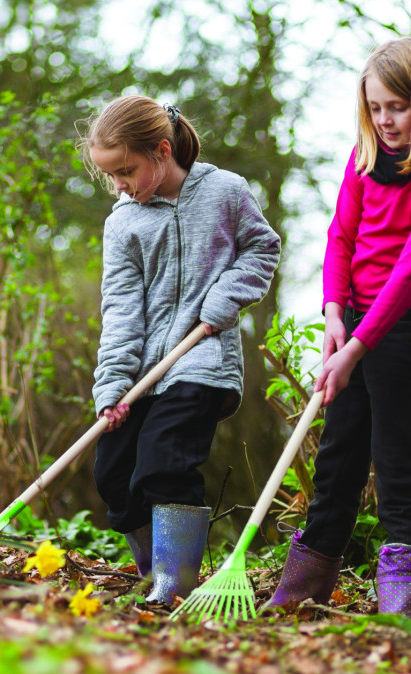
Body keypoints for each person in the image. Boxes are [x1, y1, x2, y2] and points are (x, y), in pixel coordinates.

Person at [263, 36, 411, 619]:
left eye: (397, 108)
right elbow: (341, 237)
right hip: (354, 322)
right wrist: (334, 314)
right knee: (338, 462)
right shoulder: (364, 160)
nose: (384, 120)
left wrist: (356, 348)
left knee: (401, 465)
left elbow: (409, 275)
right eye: (375, 107)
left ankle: (402, 609)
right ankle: (303, 591)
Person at [77, 95, 281, 604]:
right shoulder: (123, 221)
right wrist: (113, 384)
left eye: (126, 170)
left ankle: (174, 586)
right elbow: (121, 307)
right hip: (141, 368)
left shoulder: (226, 192)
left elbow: (263, 247)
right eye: (110, 177)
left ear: (163, 151)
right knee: (114, 474)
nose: (119, 185)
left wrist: (221, 300)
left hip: (202, 360)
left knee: (164, 463)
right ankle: (153, 572)